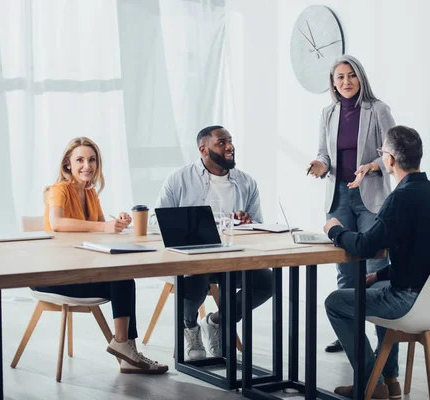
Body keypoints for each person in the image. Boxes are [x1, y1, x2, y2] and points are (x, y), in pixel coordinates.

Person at [323, 126, 430, 399]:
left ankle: (371, 381)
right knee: (376, 288)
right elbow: (428, 255)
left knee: (335, 302)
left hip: (409, 302)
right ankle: (389, 380)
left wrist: (334, 230)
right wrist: (379, 274)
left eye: (382, 152)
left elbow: (364, 245)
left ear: (390, 160)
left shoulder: (399, 199)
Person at [37, 137, 168, 375]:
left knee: (124, 279)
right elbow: (56, 223)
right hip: (53, 276)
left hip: (79, 271)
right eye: (80, 160)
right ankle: (125, 348)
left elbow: (99, 231)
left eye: (92, 160)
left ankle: (127, 351)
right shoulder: (59, 190)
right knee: (122, 281)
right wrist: (104, 227)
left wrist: (117, 224)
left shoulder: (91, 194)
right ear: (68, 164)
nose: (87, 165)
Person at [155, 125, 273, 359]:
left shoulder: (246, 182)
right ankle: (189, 326)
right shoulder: (179, 179)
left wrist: (245, 221)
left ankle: (216, 321)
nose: (229, 147)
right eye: (221, 142)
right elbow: (156, 220)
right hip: (193, 260)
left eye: (230, 141)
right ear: (204, 149)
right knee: (195, 279)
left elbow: (258, 225)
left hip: (232, 258)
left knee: (267, 282)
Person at [307, 55, 395, 354]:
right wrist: (320, 164)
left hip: (370, 195)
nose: (346, 82)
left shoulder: (378, 110)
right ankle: (350, 334)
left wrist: (371, 166)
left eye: (351, 76)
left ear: (361, 78)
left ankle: (386, 335)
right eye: (340, 77)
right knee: (345, 268)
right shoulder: (328, 112)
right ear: (333, 82)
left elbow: (392, 153)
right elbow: (324, 153)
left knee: (375, 263)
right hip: (339, 196)